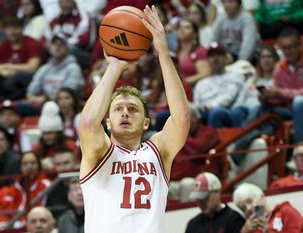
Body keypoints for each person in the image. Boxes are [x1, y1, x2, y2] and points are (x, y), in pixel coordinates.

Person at [78, 5, 190, 233]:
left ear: (146, 122)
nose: (125, 113)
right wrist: (115, 67)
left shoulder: (158, 152)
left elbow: (182, 118)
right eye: (118, 109)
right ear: (107, 121)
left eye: (133, 109)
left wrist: (163, 53)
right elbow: (88, 124)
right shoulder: (99, 152)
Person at [23, 35, 84, 116]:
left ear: (67, 48)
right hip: (42, 104)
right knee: (16, 107)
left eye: (61, 45)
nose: (57, 47)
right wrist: (33, 99)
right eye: (54, 44)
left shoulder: (73, 68)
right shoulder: (45, 68)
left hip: (64, 107)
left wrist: (45, 98)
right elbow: (31, 90)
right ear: (49, 48)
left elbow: (68, 92)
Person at [0, 17, 44, 100]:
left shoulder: (32, 43)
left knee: (14, 79)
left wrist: (7, 66)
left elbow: (32, 68)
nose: (12, 32)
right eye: (8, 29)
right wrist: (4, 71)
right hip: (5, 79)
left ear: (22, 29)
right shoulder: (3, 45)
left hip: (26, 80)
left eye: (15, 28)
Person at [193, 42, 244, 124]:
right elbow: (197, 105)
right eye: (211, 56)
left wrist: (209, 106)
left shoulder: (235, 76)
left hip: (226, 112)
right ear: (207, 60)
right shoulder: (201, 83)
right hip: (203, 114)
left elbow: (229, 98)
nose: (215, 58)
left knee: (215, 113)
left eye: (219, 55)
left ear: (225, 58)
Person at [233, 183, 303, 233]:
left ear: (262, 196)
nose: (248, 208)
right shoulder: (251, 227)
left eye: (250, 201)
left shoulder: (285, 211)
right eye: (243, 208)